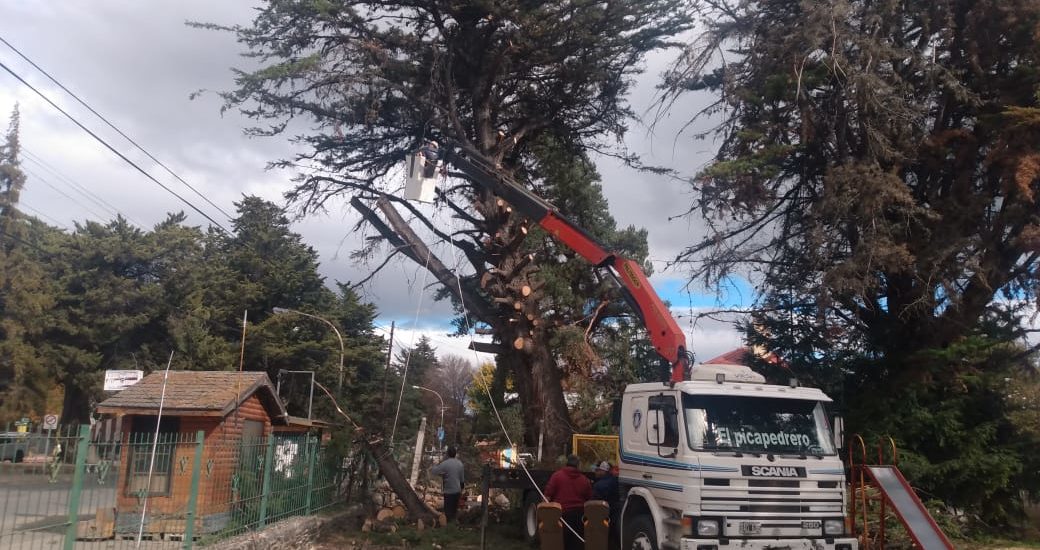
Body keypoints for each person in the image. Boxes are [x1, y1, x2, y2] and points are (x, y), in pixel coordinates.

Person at [545, 454, 591, 550]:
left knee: (561, 543)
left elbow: (547, 496)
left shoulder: (557, 476)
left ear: (567, 463)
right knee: (577, 543)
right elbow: (589, 498)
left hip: (562, 515)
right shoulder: (584, 480)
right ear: (578, 465)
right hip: (579, 516)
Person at [430, 446, 465, 523]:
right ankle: (454, 525)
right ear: (455, 454)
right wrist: (462, 489)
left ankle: (448, 526)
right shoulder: (460, 464)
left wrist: (435, 463)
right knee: (454, 510)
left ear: (447, 454)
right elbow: (462, 479)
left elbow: (434, 471)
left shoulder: (445, 464)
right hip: (457, 490)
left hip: (448, 491)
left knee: (448, 511)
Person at [592, 460, 620, 548]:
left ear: (603, 471)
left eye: (598, 470)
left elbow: (594, 504)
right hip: (617, 516)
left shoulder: (598, 485)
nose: (595, 472)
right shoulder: (617, 481)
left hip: (603, 518)